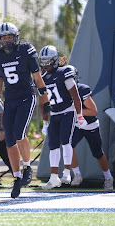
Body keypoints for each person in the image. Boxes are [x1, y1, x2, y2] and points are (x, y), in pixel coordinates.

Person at [0, 22, 50, 198]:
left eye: (10, 36)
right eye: (4, 37)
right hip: (10, 100)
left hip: (26, 97)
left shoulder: (26, 50)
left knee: (19, 133)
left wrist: (45, 99)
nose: (7, 40)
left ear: (16, 37)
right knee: (9, 140)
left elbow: (37, 78)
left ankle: (27, 167)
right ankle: (17, 177)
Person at [36, 46, 85, 190]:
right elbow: (43, 102)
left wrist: (80, 115)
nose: (45, 65)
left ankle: (67, 172)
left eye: (48, 62)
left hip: (68, 111)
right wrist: (45, 121)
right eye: (43, 62)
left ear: (55, 60)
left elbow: (75, 96)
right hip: (55, 114)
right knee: (53, 146)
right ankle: (53, 177)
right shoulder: (42, 78)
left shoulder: (64, 72)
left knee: (66, 141)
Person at [69, 65, 114, 191]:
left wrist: (75, 110)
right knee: (68, 145)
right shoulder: (61, 91)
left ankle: (108, 177)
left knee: (98, 153)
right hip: (76, 124)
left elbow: (93, 111)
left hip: (89, 125)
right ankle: (77, 175)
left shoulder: (82, 90)